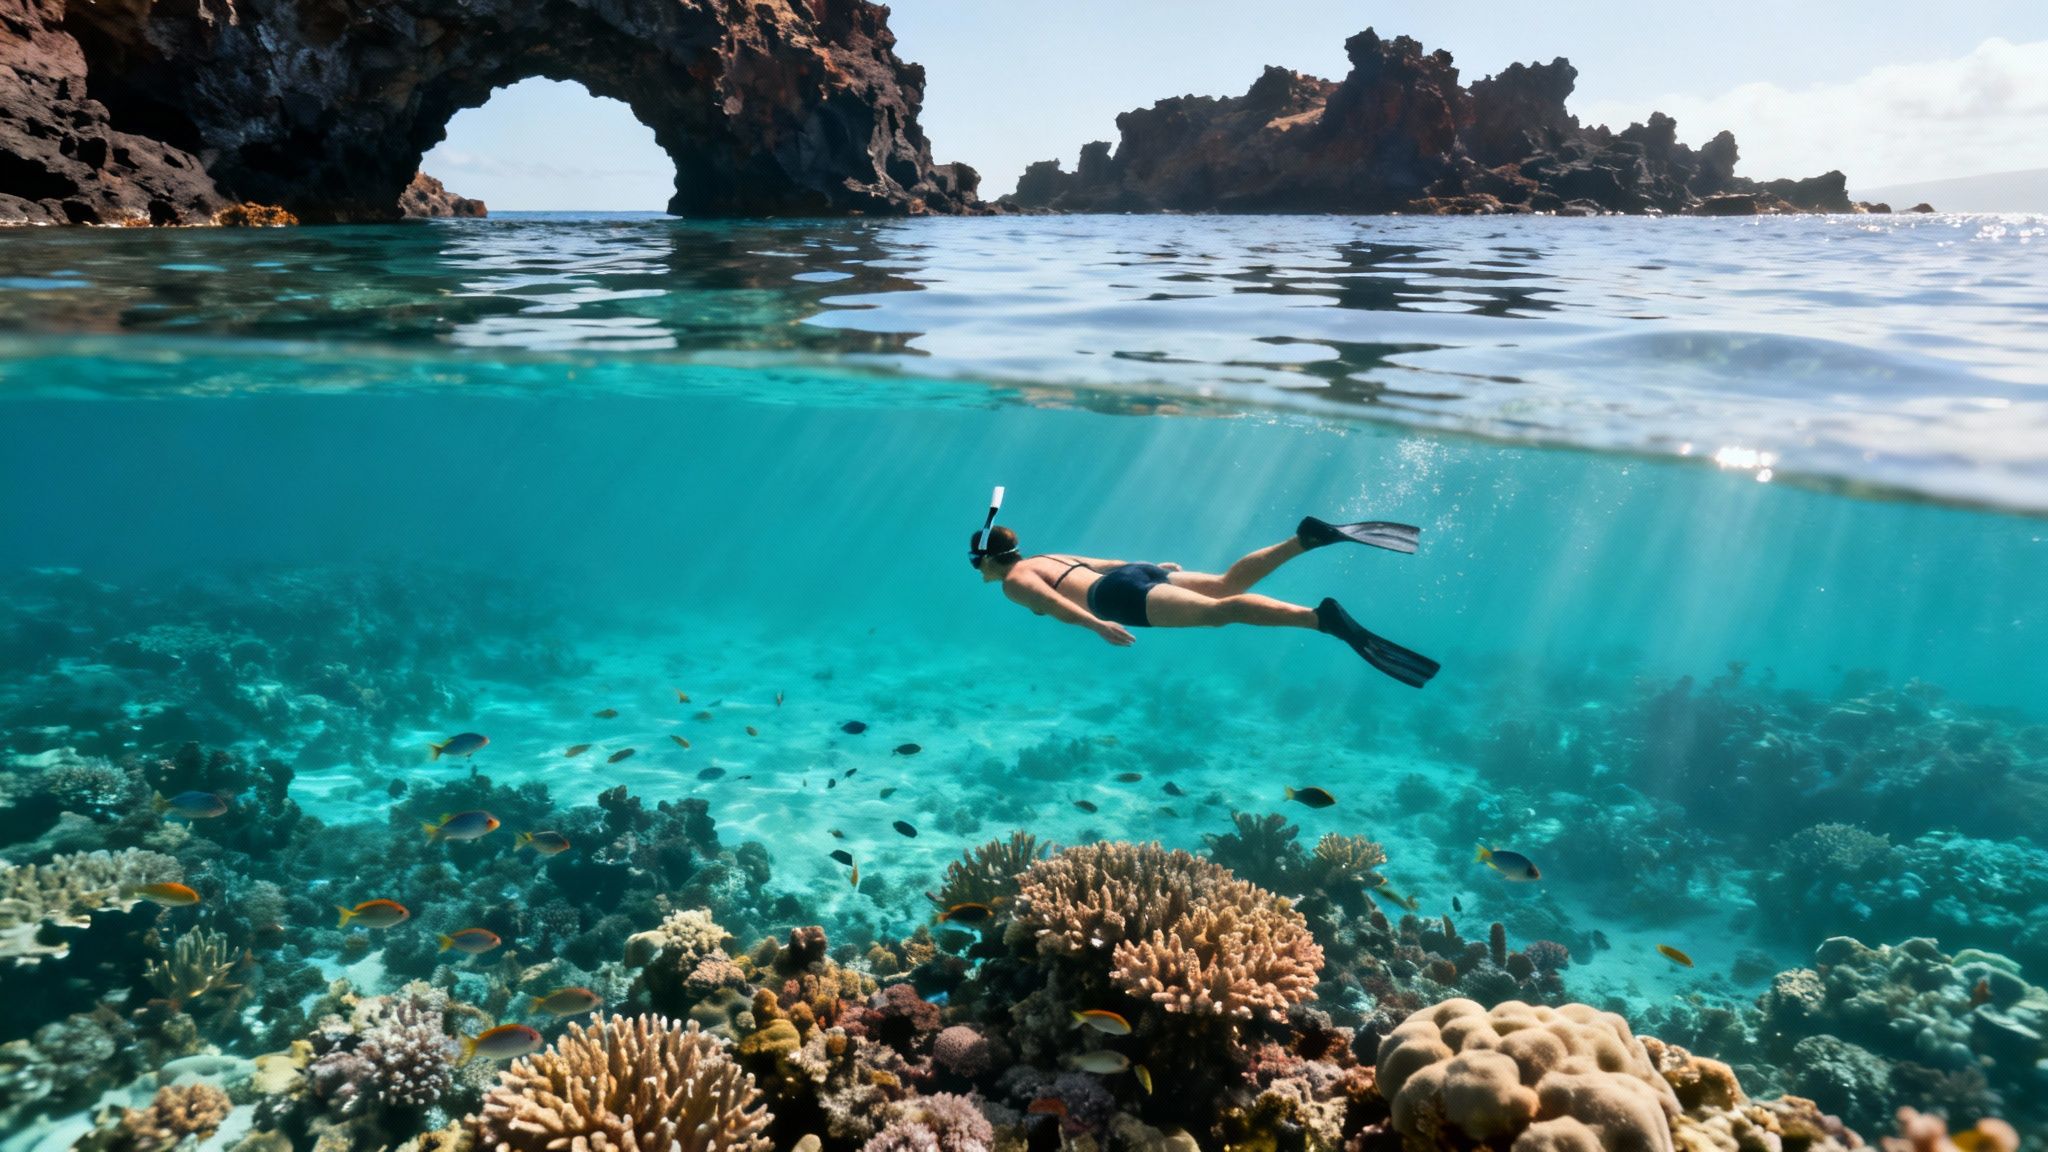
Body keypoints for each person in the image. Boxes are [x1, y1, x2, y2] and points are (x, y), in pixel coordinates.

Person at [968, 499, 1439, 687]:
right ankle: (1306, 538)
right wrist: (1156, 565)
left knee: (1219, 611)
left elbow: (1054, 603)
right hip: (1130, 576)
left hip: (1117, 601)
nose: (978, 571)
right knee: (1224, 585)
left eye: (977, 563)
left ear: (990, 559)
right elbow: (1101, 563)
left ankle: (1321, 619)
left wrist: (1098, 626)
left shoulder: (1014, 582)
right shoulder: (1044, 557)